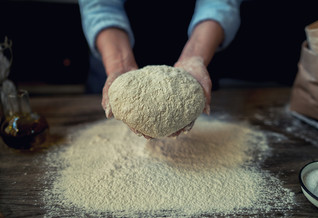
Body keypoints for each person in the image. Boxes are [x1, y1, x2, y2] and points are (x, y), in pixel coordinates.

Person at [78, 0, 242, 137]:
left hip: (199, 41)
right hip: (114, 48)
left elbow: (218, 3)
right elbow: (100, 6)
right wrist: (119, 64)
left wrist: (194, 57)